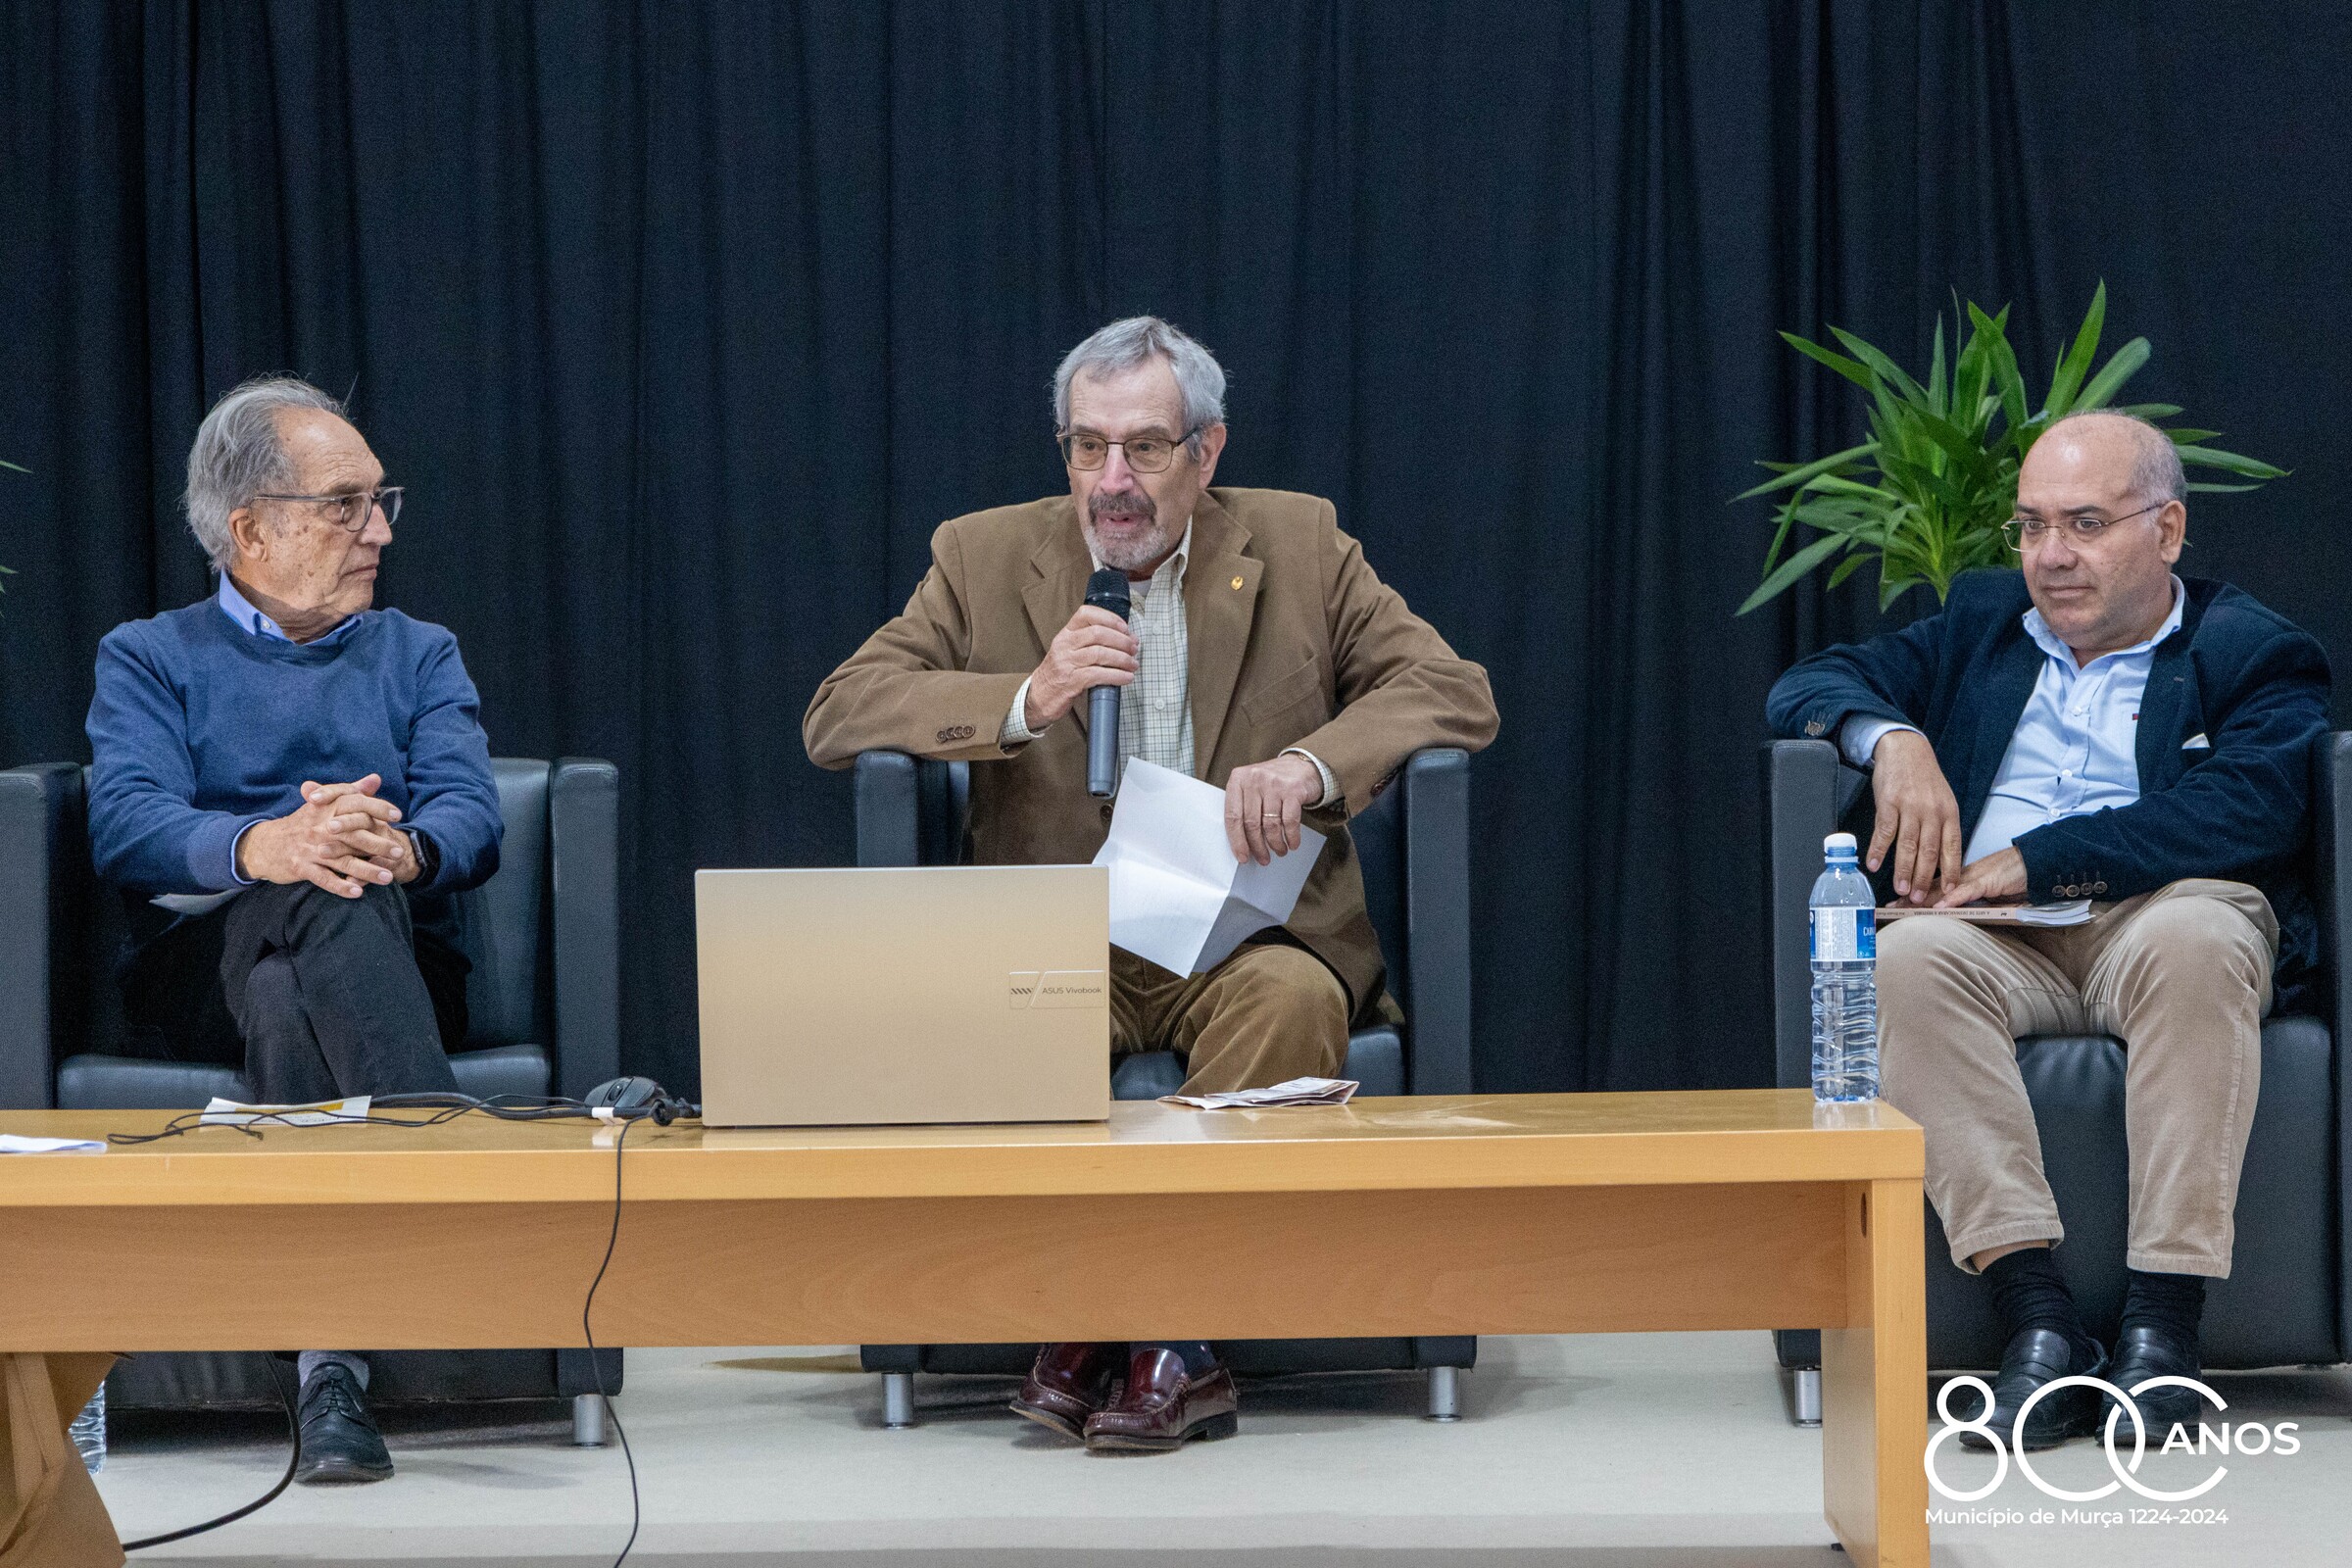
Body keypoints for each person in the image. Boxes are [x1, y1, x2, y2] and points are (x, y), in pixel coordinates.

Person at [806, 316, 1498, 1452]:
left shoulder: (1302, 543)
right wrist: (1024, 698)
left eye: (1144, 447)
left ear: (1206, 452)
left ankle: (1123, 1328)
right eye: (1088, 447)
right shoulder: (983, 555)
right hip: (1061, 935)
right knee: (1010, 1012)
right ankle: (1162, 1346)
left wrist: (1310, 765)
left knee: (1293, 1002)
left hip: (1246, 935)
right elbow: (840, 711)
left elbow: (1452, 689)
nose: (1112, 481)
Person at [1767, 410, 2328, 1449]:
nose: (2051, 554)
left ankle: (2164, 1331)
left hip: (2165, 913)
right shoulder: (1982, 625)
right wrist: (1892, 740)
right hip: (1992, 935)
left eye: (2084, 523)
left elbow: (2250, 806)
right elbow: (1805, 683)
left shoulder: (2248, 647)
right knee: (1903, 958)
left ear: (2167, 531)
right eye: (2031, 525)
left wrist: (2045, 855)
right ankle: (2040, 1321)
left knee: (2198, 945)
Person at [85, 376, 504, 1485]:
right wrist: (270, 844)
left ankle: (329, 1371)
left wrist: (400, 849)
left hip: (395, 957)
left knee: (306, 955)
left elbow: (471, 811)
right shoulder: (150, 655)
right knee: (311, 888)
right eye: (345, 504)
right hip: (197, 965)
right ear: (250, 530)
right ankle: (451, 1186)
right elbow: (127, 822)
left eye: (380, 501)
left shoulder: (418, 650)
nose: (380, 531)